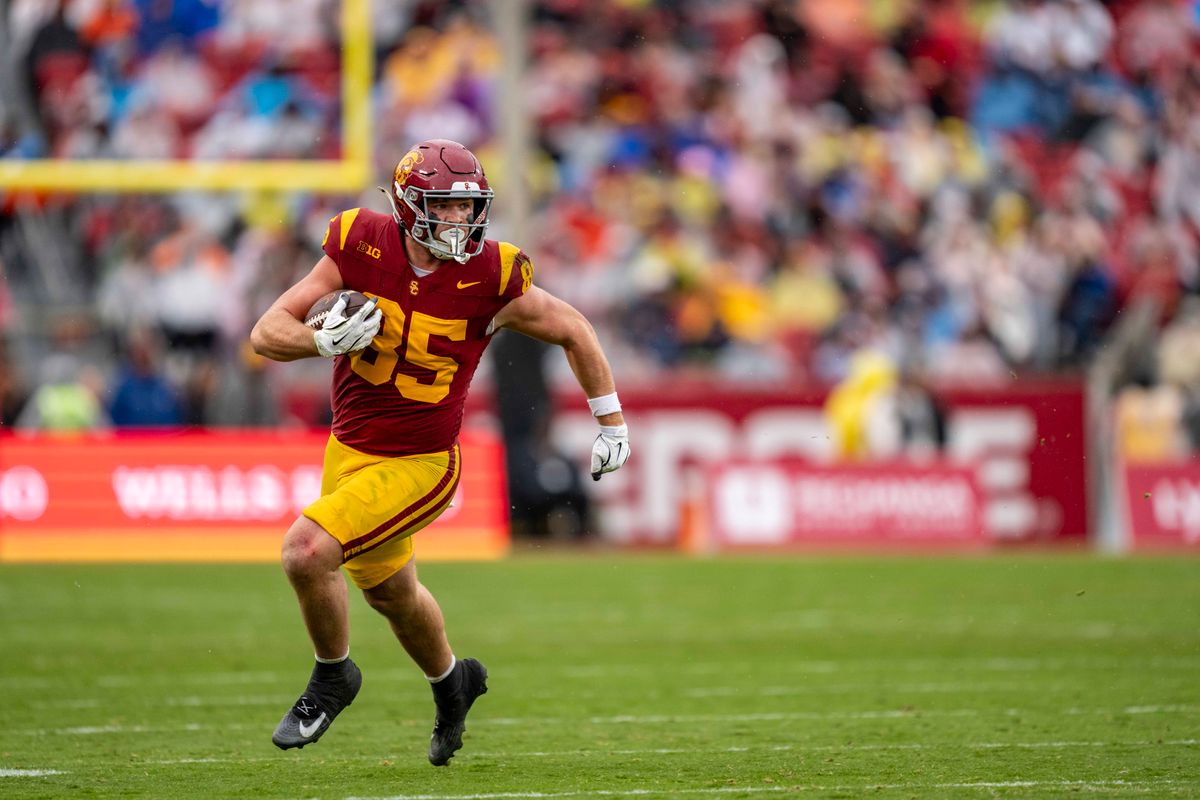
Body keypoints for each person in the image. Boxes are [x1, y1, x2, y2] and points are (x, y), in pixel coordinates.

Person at [249, 138, 630, 765]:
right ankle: (454, 683)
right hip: (348, 450)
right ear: (407, 205)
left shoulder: (493, 274)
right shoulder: (359, 243)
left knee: (306, 552)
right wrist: (321, 342)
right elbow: (267, 332)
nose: (459, 220)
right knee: (392, 595)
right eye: (444, 207)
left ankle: (333, 675)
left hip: (422, 462)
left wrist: (610, 422)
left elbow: (573, 329)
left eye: (467, 207)